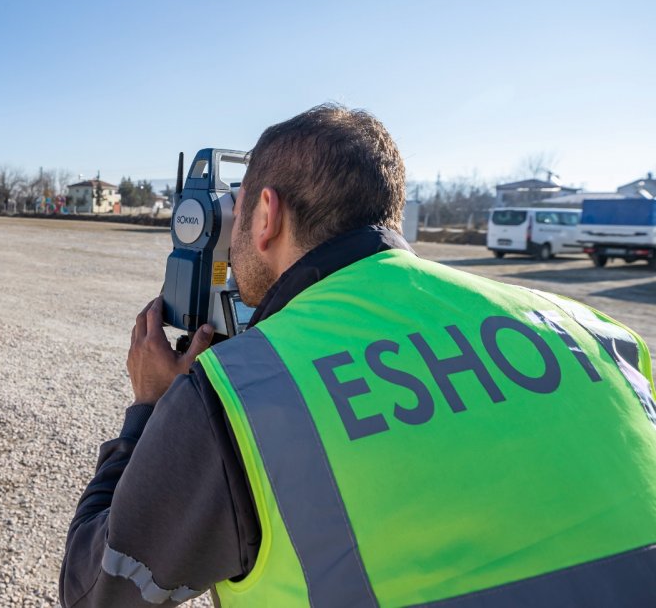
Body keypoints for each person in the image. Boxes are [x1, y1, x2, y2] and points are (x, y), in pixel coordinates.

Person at [60, 104, 656, 606]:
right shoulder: (596, 333)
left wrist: (151, 410)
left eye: (236, 215)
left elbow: (95, 594)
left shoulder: (242, 395)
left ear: (266, 214)